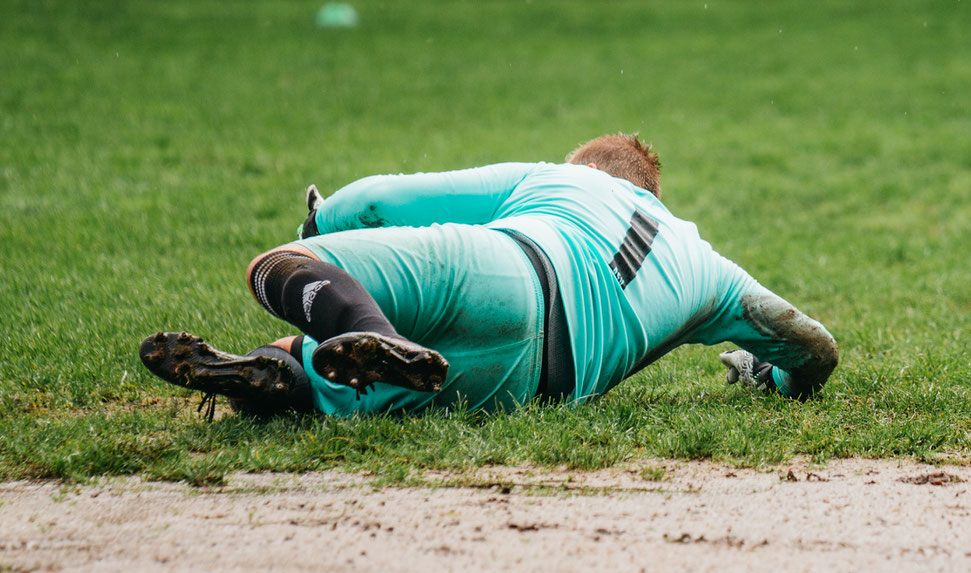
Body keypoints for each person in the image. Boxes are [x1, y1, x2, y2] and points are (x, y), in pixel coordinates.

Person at [139, 133, 838, 418]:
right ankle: (290, 371)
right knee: (321, 369)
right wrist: (770, 375)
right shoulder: (707, 267)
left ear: (586, 167)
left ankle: (362, 327)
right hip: (533, 384)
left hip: (503, 270)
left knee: (279, 268)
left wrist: (319, 230)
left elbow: (384, 196)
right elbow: (814, 346)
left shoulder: (562, 180)